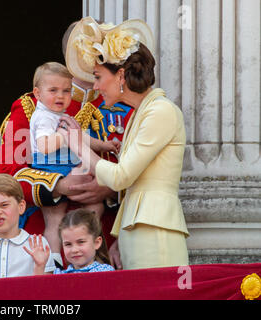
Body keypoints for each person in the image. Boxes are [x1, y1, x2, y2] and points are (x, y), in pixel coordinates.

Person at [0, 21, 133, 267]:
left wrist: (111, 188)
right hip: (44, 245)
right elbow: (4, 179)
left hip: (107, 245)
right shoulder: (31, 108)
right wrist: (58, 186)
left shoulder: (124, 108)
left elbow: (143, 178)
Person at [60, 17, 189, 270]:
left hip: (154, 231)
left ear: (120, 75)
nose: (95, 86)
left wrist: (78, 145)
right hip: (140, 229)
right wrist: (119, 235)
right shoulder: (143, 111)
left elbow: (121, 178)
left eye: (98, 77)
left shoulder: (160, 111)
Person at [29, 61, 119, 256]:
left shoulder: (57, 113)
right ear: (37, 94)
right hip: (52, 169)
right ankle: (53, 262)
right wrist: (65, 136)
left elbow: (80, 138)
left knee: (96, 204)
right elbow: (45, 146)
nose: (60, 96)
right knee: (55, 220)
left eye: (66, 91)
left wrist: (104, 146)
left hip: (66, 164)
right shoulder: (43, 116)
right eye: (53, 90)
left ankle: (95, 254)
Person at [29, 209, 115, 275]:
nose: (74, 250)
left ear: (96, 243)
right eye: (68, 244)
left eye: (81, 242)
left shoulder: (106, 272)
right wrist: (40, 266)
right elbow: (39, 292)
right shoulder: (59, 275)